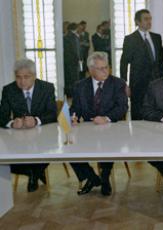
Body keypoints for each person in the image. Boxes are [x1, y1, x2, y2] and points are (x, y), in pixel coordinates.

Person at [70, 52, 128, 196]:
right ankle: (91, 177)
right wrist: (73, 117)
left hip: (110, 128)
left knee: (109, 145)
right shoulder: (80, 86)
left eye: (106, 67)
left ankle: (105, 177)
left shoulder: (118, 83)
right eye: (100, 68)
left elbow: (122, 107)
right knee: (69, 148)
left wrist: (106, 118)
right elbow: (74, 108)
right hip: (87, 130)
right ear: (91, 70)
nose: (105, 71)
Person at [0, 58, 57, 192]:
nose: (22, 81)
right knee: (7, 157)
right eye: (18, 77)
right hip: (18, 136)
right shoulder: (9, 90)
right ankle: (35, 173)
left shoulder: (47, 88)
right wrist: (12, 123)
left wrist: (36, 120)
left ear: (34, 76)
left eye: (26, 77)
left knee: (51, 150)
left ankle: (33, 174)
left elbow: (53, 114)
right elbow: (1, 116)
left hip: (44, 134)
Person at [120, 9, 163, 120]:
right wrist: (124, 84)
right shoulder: (130, 39)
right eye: (146, 19)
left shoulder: (157, 38)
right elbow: (124, 63)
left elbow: (161, 61)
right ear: (138, 22)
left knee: (157, 111)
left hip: (157, 82)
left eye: (150, 19)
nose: (149, 21)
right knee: (138, 114)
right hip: (138, 84)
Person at [63, 23, 81, 98]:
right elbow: (75, 50)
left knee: (68, 77)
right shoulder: (73, 37)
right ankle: (74, 93)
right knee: (74, 78)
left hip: (67, 60)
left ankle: (69, 93)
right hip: (73, 61)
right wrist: (79, 59)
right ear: (76, 28)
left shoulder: (66, 36)